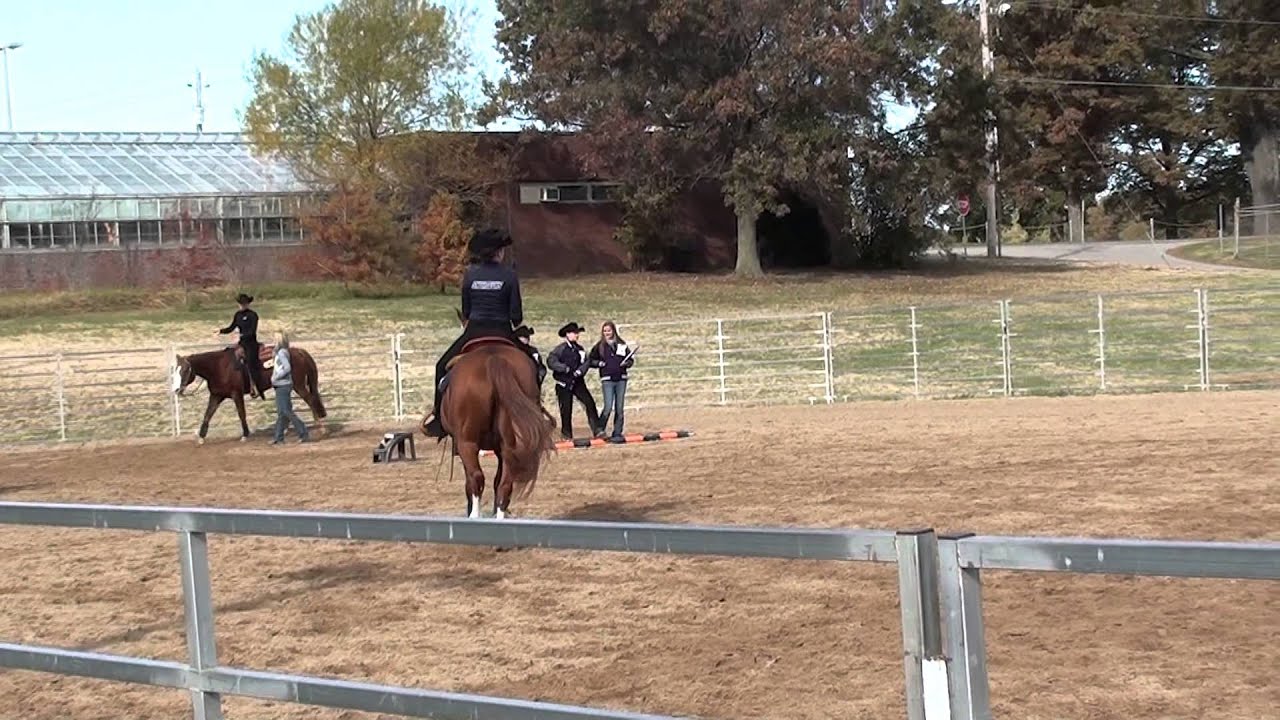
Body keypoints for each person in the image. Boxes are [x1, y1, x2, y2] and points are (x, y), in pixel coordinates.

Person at [422, 228, 539, 439]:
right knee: (535, 366)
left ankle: (439, 419)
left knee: (441, 367)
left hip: (474, 331)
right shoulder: (510, 275)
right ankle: (536, 412)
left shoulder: (470, 274)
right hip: (503, 332)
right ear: (499, 252)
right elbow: (516, 317)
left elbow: (466, 311)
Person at [546, 321, 602, 440]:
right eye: (574, 333)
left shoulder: (580, 349)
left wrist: (580, 371)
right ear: (567, 334)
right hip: (563, 383)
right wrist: (564, 368)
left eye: (577, 333)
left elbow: (587, 362)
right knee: (566, 409)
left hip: (577, 382)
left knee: (589, 403)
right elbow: (551, 361)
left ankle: (597, 430)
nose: (576, 335)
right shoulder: (560, 349)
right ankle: (566, 434)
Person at [587, 320, 635, 441]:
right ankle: (600, 430)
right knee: (608, 406)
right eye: (605, 331)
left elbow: (630, 360)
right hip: (607, 379)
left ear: (613, 331)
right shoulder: (599, 346)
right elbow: (590, 360)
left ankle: (617, 432)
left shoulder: (622, 345)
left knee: (619, 407)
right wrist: (600, 363)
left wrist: (627, 363)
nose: (607, 333)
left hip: (621, 379)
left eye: (609, 330)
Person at [216, 292, 266, 399]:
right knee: (229, 356)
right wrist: (221, 331)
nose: (242, 306)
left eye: (244, 304)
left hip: (251, 344)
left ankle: (256, 386)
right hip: (242, 343)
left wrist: (242, 335)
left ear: (248, 304)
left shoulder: (253, 315)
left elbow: (252, 331)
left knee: (252, 363)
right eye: (240, 304)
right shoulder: (237, 315)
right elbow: (231, 327)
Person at [269, 331, 311, 444]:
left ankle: (303, 432)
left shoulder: (282, 353)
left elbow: (287, 368)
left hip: (283, 384)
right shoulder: (280, 352)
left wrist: (276, 377)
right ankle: (278, 438)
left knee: (286, 411)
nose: (273, 341)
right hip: (280, 384)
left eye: (274, 339)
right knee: (282, 413)